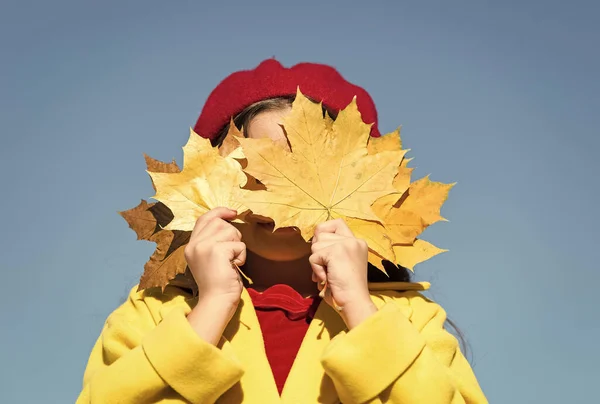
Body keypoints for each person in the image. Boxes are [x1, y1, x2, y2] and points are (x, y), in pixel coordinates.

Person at [77, 59, 488, 403]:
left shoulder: (411, 320)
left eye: (307, 171)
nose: (275, 195)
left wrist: (361, 313)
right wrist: (210, 311)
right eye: (249, 168)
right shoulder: (151, 316)